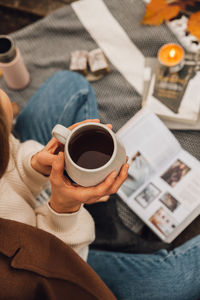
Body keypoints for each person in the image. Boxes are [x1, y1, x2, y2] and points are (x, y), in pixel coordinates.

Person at [1, 70, 200, 300]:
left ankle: (94, 217)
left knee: (73, 85)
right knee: (175, 279)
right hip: (50, 258)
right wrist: (64, 209)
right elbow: (43, 270)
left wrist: (32, 166)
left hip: (28, 206)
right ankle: (96, 225)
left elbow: (9, 160)